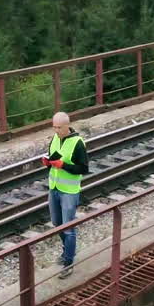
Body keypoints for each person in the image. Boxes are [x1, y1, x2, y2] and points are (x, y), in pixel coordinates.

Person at [42, 111, 89, 274]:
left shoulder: (78, 143)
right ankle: (68, 251)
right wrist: (48, 163)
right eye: (54, 127)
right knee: (56, 224)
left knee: (68, 228)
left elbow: (83, 168)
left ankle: (68, 262)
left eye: (59, 128)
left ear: (67, 126)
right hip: (54, 188)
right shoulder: (55, 138)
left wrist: (63, 165)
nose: (56, 131)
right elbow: (53, 160)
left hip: (69, 191)